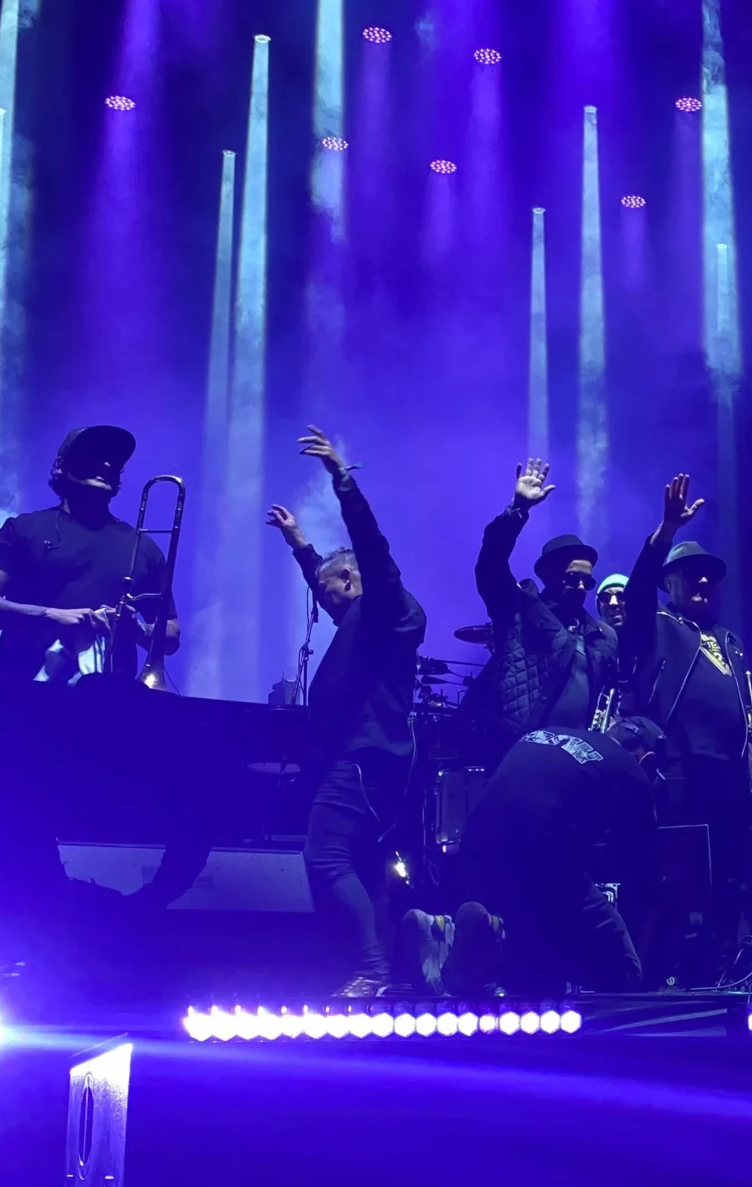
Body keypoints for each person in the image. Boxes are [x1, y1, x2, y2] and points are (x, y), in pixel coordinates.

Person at [267, 426, 430, 997]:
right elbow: (330, 576)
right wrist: (299, 545)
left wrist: (341, 478)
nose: (324, 602)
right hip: (381, 759)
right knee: (364, 863)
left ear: (349, 580)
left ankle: (371, 969)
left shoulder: (384, 604)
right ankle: (380, 976)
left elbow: (370, 545)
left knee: (325, 855)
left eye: (328, 590)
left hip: (363, 756)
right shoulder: (366, 617)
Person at [618, 474, 752, 979]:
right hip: (678, 770)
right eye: (690, 575)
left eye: (708, 577)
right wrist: (666, 531)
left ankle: (720, 971)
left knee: (731, 879)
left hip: (731, 776)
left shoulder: (730, 639)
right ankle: (664, 975)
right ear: (669, 583)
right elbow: (636, 592)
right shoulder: (656, 624)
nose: (702, 583)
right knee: (676, 879)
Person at [456, 717, 666, 996]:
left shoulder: (544, 733)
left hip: (473, 843)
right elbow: (646, 877)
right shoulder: (632, 771)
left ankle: (455, 934)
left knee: (531, 954)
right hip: (539, 854)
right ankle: (500, 944)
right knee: (623, 973)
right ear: (647, 760)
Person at [0, 424, 179, 682]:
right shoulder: (23, 528)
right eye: (94, 455)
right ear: (63, 465)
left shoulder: (144, 546)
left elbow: (172, 636)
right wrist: (51, 615)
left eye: (114, 460)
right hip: (22, 691)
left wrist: (138, 629)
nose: (107, 464)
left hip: (106, 698)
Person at [467, 457, 619, 759]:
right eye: (572, 579)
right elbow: (490, 563)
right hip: (518, 750)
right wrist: (518, 509)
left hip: (577, 755)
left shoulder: (601, 635)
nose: (580, 587)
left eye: (587, 582)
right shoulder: (519, 608)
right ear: (549, 575)